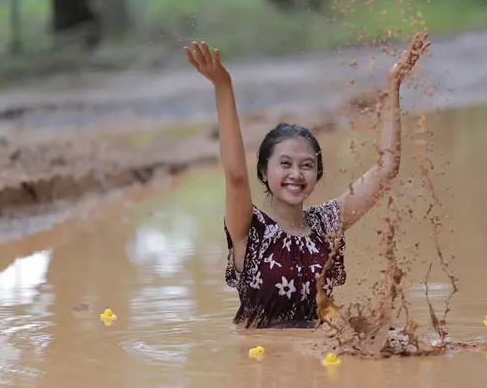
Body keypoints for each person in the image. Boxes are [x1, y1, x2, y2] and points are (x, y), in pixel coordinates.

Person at [183, 38, 428, 328]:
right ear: (263, 172)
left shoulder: (326, 224)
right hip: (263, 360)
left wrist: (393, 86)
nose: (296, 174)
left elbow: (386, 169)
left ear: (317, 174)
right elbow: (236, 177)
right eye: (285, 164)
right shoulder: (249, 229)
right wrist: (224, 88)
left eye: (307, 165)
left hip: (318, 358)